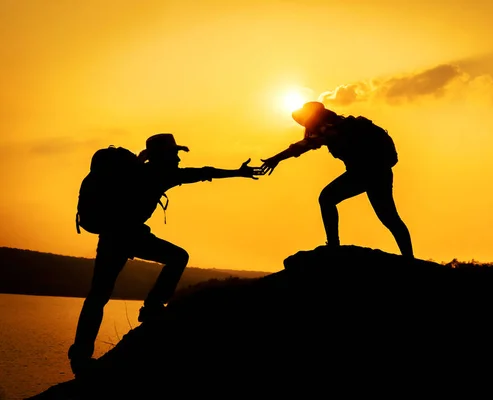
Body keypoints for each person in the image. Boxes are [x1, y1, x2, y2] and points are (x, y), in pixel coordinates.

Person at [68, 133, 262, 377]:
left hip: (112, 235)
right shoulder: (159, 174)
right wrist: (237, 172)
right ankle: (151, 307)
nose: (178, 160)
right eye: (175, 154)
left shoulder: (140, 171)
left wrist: (236, 172)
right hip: (126, 235)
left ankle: (80, 356)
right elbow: (201, 172)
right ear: (164, 156)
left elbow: (200, 172)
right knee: (177, 257)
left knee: (98, 295)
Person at [260, 101, 414, 258]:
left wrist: (276, 158)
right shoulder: (341, 124)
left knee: (327, 198)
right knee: (389, 218)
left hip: (364, 172)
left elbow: (305, 145)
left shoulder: (328, 129)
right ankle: (409, 258)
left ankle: (334, 245)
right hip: (379, 172)